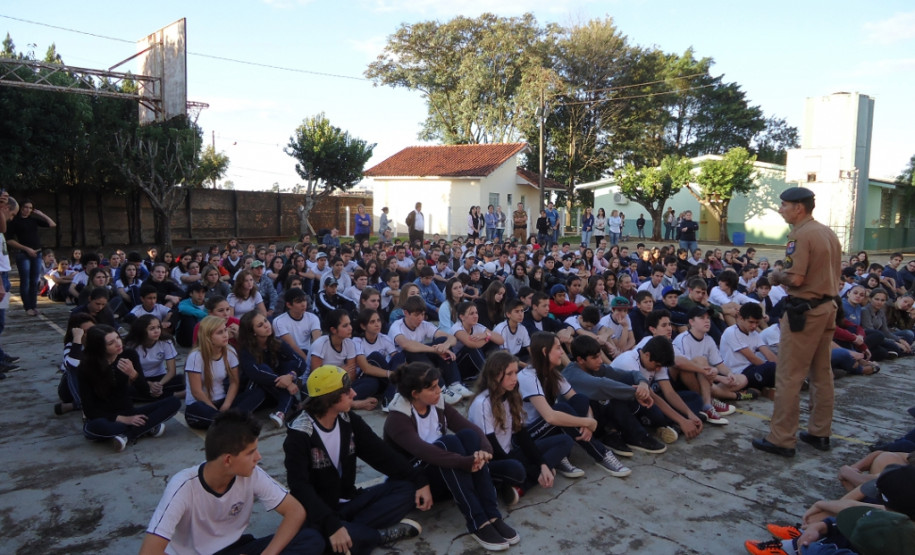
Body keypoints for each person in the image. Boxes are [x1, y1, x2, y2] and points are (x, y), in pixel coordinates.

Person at [283, 365, 429, 555]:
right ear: (329, 398)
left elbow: (382, 455)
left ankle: (347, 534)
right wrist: (330, 523)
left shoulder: (348, 420)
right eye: (346, 391)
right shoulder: (299, 435)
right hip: (317, 511)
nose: (354, 393)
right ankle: (374, 535)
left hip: (350, 501)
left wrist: (419, 480)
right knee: (313, 539)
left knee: (406, 489)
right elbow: (300, 487)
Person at [140, 410, 323, 555]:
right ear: (227, 460)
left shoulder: (251, 474)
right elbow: (149, 552)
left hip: (237, 547)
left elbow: (295, 512)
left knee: (311, 539)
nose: (258, 457)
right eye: (251, 452)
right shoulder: (183, 486)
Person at [383, 361, 519, 552]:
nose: (439, 390)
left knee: (473, 440)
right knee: (449, 443)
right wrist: (465, 462)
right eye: (432, 388)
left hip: (446, 468)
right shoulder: (397, 419)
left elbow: (469, 428)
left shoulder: (436, 403)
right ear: (415, 394)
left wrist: (484, 451)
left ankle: (493, 515)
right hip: (417, 481)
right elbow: (425, 451)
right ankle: (477, 522)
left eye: (439, 384)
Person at [753, 187, 842, 458]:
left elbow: (796, 278)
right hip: (827, 308)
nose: (781, 210)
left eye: (784, 205)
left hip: (805, 311)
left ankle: (781, 438)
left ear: (798, 208)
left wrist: (777, 275)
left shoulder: (800, 235)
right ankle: (819, 432)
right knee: (822, 374)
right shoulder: (827, 232)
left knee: (789, 375)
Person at [520, 331, 631, 477]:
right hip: (527, 434)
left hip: (548, 428)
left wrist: (588, 423)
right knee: (561, 408)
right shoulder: (528, 377)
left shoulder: (554, 375)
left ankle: (562, 454)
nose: (562, 352)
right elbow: (550, 417)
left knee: (581, 400)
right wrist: (586, 422)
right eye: (558, 348)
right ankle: (601, 454)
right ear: (545, 352)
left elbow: (577, 398)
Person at [469, 351, 573, 505]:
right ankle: (521, 480)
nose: (514, 378)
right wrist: (536, 467)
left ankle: (519, 486)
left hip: (509, 452)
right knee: (516, 468)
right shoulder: (482, 403)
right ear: (496, 375)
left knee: (565, 441)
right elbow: (491, 447)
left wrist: (542, 464)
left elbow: (522, 435)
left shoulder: (511, 394)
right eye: (509, 374)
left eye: (515, 373)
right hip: (491, 460)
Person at [77, 325, 181, 452]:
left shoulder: (129, 355)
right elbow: (89, 410)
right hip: (104, 417)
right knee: (102, 427)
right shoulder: (86, 367)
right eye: (111, 343)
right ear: (99, 347)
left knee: (173, 402)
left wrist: (134, 374)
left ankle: (127, 436)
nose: (118, 343)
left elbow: (144, 391)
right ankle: (147, 427)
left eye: (118, 338)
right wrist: (125, 420)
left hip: (128, 410)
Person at [184, 316, 265, 430]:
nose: (225, 334)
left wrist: (226, 406)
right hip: (202, 404)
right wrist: (213, 409)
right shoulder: (196, 356)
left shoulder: (230, 351)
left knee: (258, 392)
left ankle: (225, 421)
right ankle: (230, 420)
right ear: (208, 337)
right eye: (220, 332)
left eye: (225, 330)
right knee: (197, 410)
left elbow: (234, 382)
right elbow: (196, 392)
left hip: (223, 402)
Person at [237, 311, 307, 428]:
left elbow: (300, 362)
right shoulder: (246, 350)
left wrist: (290, 376)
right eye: (260, 325)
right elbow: (256, 373)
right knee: (263, 369)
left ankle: (280, 413)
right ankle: (294, 405)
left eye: (265, 321)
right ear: (252, 333)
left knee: (289, 365)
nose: (266, 325)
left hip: (277, 392)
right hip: (257, 393)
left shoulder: (277, 342)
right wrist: (287, 383)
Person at [6, 197, 56, 316]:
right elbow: (9, 240)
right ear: (20, 208)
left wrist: (42, 214)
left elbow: (52, 224)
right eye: (25, 208)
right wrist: (26, 249)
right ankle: (27, 307)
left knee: (35, 281)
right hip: (24, 254)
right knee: (26, 281)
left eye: (30, 208)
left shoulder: (33, 220)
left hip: (37, 253)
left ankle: (34, 306)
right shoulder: (14, 221)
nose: (27, 210)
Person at [123, 315, 184, 401]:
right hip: (139, 379)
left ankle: (157, 394)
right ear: (142, 330)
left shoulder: (166, 342)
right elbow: (130, 375)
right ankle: (175, 395)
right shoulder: (132, 346)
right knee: (127, 391)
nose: (157, 331)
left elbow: (171, 371)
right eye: (152, 328)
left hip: (161, 378)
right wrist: (149, 384)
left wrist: (159, 385)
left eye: (158, 327)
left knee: (183, 379)